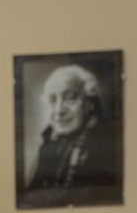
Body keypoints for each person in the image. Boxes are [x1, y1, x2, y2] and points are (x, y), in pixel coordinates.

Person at [27, 64, 118, 192]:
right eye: (52, 101)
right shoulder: (48, 143)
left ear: (90, 103)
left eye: (69, 98)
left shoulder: (105, 145)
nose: (59, 110)